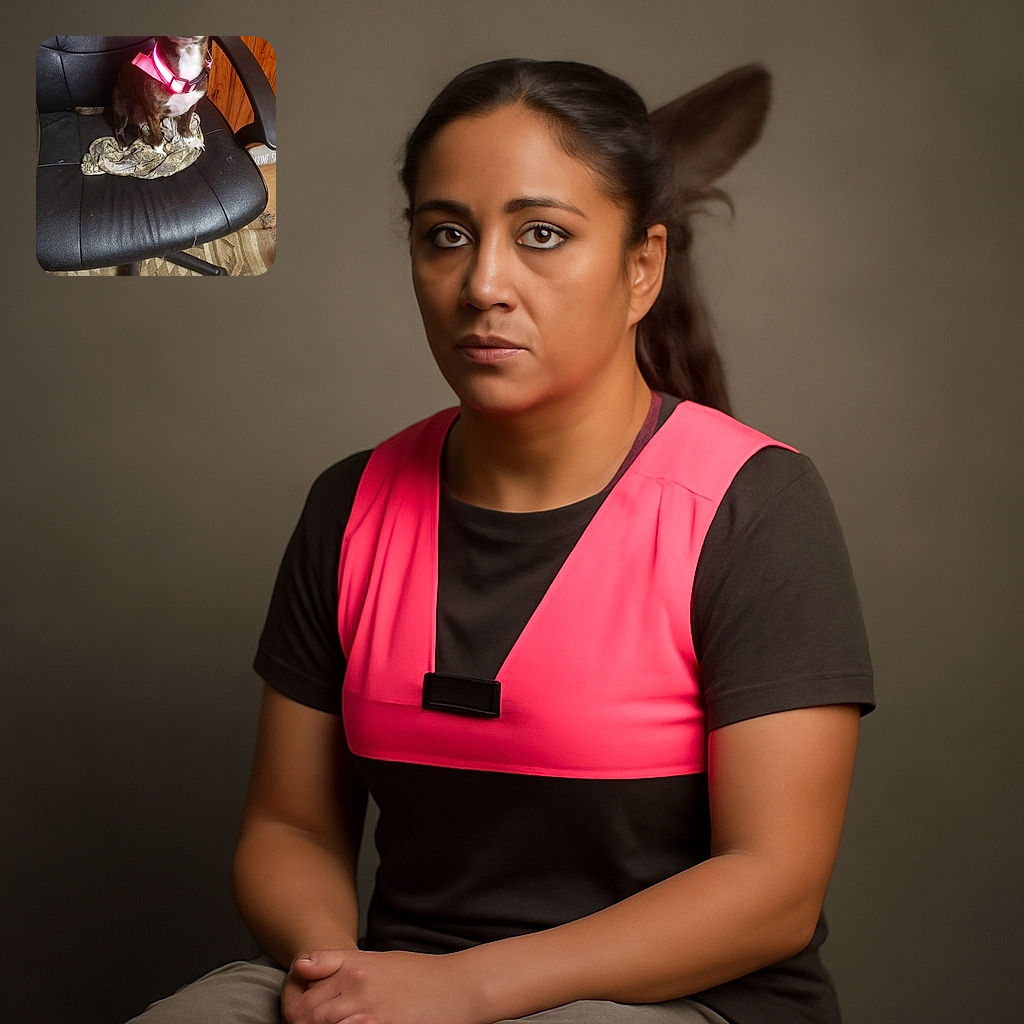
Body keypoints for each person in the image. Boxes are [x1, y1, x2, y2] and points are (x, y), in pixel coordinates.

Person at [128, 58, 873, 1024]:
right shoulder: (350, 505)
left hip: (673, 1002)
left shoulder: (751, 506)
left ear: (642, 266)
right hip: (401, 983)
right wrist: (337, 978)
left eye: (543, 237)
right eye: (447, 236)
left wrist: (464, 991)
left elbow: (774, 888)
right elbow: (289, 824)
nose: (483, 284)